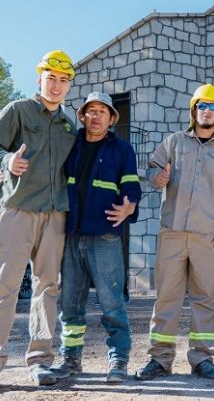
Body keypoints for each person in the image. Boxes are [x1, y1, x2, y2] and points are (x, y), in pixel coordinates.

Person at [0, 50, 77, 392]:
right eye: (51, 78)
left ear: (69, 85)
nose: (56, 86)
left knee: (47, 288)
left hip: (55, 213)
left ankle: (40, 361)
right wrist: (7, 161)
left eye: (63, 80)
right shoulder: (18, 110)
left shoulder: (69, 125)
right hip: (17, 210)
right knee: (3, 286)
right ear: (39, 78)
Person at [135, 83, 214, 381]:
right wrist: (158, 176)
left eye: (213, 107)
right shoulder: (173, 142)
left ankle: (202, 358)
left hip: (208, 236)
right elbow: (152, 169)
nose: (206, 111)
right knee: (166, 298)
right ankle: (160, 359)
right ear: (193, 111)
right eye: (201, 106)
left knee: (205, 298)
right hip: (172, 232)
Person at [51, 92, 141, 384]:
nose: (96, 116)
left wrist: (129, 205)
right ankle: (70, 358)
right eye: (91, 111)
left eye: (103, 111)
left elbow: (131, 183)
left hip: (105, 236)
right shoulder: (71, 144)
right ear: (83, 116)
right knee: (70, 304)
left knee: (112, 303)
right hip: (72, 234)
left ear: (112, 118)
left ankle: (118, 360)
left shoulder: (122, 149)